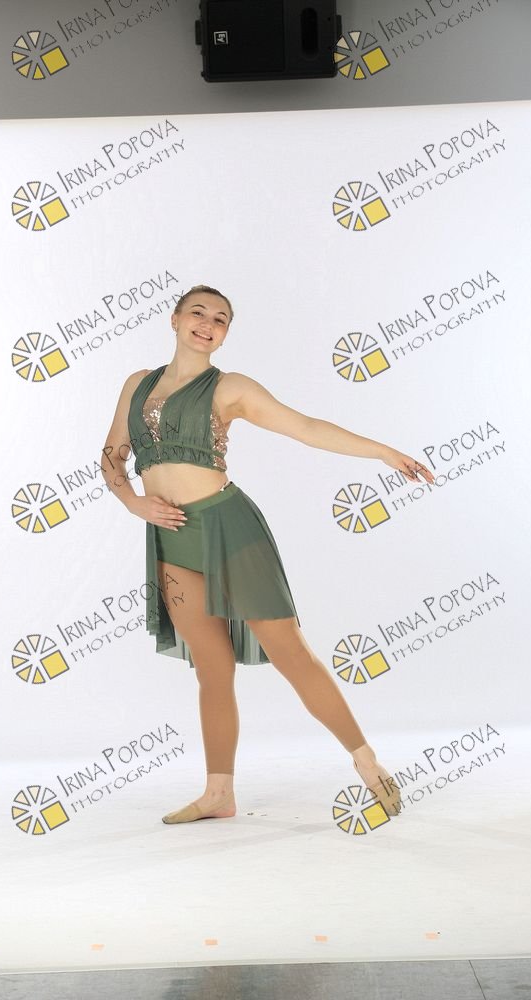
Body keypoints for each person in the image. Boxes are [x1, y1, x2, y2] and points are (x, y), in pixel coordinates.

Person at [101, 284, 435, 825]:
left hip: (230, 528)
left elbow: (305, 428)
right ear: (174, 319)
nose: (207, 324)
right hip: (171, 537)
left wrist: (382, 452)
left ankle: (366, 761)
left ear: (225, 333)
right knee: (212, 669)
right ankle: (219, 794)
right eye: (198, 313)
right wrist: (133, 502)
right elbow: (112, 454)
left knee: (290, 653)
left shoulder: (229, 387)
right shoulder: (136, 384)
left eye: (220, 319)